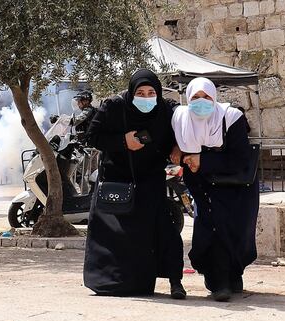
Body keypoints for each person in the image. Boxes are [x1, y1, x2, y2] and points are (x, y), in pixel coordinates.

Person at [83, 69, 186, 299]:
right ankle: (112, 283)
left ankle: (175, 281)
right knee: (116, 236)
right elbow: (92, 136)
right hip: (117, 179)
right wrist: (123, 141)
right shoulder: (114, 107)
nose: (146, 97)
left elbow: (181, 132)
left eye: (151, 92)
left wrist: (178, 147)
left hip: (151, 180)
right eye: (140, 92)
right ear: (131, 92)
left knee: (163, 231)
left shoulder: (165, 111)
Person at [172, 77, 259, 302]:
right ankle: (218, 280)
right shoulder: (181, 118)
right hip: (203, 190)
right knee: (209, 234)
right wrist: (178, 153)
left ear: (215, 97)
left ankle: (230, 277)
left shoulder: (231, 118)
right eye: (196, 98)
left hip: (235, 189)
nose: (201, 102)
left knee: (234, 232)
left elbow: (240, 158)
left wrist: (203, 161)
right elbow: (176, 147)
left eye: (207, 97)